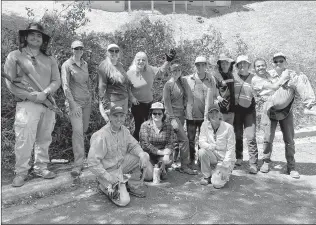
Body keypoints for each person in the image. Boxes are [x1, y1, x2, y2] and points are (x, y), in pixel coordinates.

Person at [4, 22, 61, 187]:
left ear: (43, 40)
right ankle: (21, 172)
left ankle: (41, 167)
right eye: (32, 34)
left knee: (44, 138)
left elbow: (56, 81)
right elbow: (11, 84)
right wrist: (31, 96)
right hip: (27, 104)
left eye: (39, 36)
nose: (36, 38)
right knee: (24, 139)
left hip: (48, 104)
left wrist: (45, 93)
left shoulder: (50, 59)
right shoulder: (14, 56)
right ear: (25, 37)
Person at [252, 54, 316, 178]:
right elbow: (269, 89)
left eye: (281, 61)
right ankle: (266, 161)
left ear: (285, 62)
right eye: (275, 61)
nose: (278, 63)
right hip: (270, 107)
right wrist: (284, 81)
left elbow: (298, 87)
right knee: (267, 138)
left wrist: (289, 80)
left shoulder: (291, 74)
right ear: (272, 64)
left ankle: (291, 167)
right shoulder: (267, 74)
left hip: (286, 110)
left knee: (289, 140)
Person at [87, 105, 151, 207]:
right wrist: (109, 178)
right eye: (115, 116)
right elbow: (92, 163)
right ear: (110, 117)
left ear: (125, 117)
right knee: (124, 201)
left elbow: (133, 145)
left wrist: (141, 153)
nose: (119, 119)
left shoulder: (124, 130)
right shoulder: (101, 135)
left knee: (144, 155)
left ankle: (133, 185)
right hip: (108, 172)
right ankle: (104, 185)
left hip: (121, 165)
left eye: (121, 116)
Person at [127, 49, 176, 141]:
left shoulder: (150, 69)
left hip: (149, 103)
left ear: (146, 61)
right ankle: (135, 147)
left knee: (149, 126)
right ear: (135, 60)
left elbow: (161, 72)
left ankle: (146, 147)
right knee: (140, 126)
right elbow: (126, 87)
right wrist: (132, 97)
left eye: (143, 60)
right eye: (139, 59)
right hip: (137, 104)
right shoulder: (130, 73)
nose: (141, 62)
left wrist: (168, 61)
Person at [181, 56, 220, 169]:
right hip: (191, 116)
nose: (200, 67)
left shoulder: (211, 79)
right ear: (195, 66)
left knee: (203, 140)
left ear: (206, 65)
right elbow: (175, 83)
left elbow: (215, 94)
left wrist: (218, 99)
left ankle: (201, 160)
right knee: (191, 140)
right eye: (198, 64)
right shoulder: (187, 79)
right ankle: (192, 160)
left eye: (202, 64)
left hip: (205, 116)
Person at [61, 40, 92, 177]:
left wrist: (91, 96)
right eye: (76, 48)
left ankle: (83, 158)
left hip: (87, 103)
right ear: (71, 49)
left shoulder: (85, 64)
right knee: (78, 131)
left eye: (81, 48)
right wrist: (72, 104)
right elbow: (65, 86)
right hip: (75, 104)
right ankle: (78, 164)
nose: (79, 50)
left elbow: (87, 82)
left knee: (84, 130)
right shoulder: (67, 65)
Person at [162, 64, 198, 175]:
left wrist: (183, 81)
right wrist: (172, 119)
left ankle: (170, 163)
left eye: (178, 70)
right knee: (184, 140)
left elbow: (189, 96)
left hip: (182, 115)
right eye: (174, 70)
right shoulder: (168, 85)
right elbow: (167, 104)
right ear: (170, 71)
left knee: (176, 141)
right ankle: (184, 165)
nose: (176, 72)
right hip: (173, 116)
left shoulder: (182, 82)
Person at [198, 104, 236, 188]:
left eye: (216, 112)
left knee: (217, 184)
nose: (214, 115)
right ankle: (207, 176)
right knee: (201, 151)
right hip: (213, 156)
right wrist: (210, 146)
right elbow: (201, 141)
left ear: (220, 114)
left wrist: (225, 166)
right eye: (211, 112)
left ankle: (219, 172)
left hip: (224, 159)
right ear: (208, 114)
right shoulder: (204, 125)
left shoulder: (228, 127)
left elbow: (231, 149)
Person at [98, 44, 138, 122]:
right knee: (113, 125)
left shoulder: (119, 65)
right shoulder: (103, 66)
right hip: (113, 102)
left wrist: (130, 96)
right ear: (107, 52)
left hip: (124, 100)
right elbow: (101, 88)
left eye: (116, 51)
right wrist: (105, 106)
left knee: (121, 124)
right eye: (111, 51)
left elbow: (125, 84)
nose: (114, 53)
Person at [233, 55, 259, 174]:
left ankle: (253, 163)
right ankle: (238, 158)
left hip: (249, 111)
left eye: (245, 63)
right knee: (237, 135)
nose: (242, 66)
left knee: (251, 136)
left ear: (248, 65)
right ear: (237, 66)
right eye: (240, 64)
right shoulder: (234, 77)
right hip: (237, 111)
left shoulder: (254, 77)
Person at [139, 102, 175, 180]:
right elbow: (145, 145)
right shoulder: (145, 126)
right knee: (149, 177)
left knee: (168, 159)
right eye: (154, 113)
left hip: (162, 154)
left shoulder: (168, 126)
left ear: (163, 114)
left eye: (159, 113)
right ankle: (155, 169)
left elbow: (171, 143)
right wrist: (160, 152)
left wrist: (166, 154)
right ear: (151, 114)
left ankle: (162, 167)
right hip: (148, 154)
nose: (157, 115)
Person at [213, 53, 236, 125]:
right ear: (220, 64)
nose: (225, 65)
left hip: (231, 109)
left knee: (229, 131)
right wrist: (218, 97)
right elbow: (214, 90)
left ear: (230, 64)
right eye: (223, 63)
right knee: (220, 132)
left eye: (227, 63)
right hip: (221, 110)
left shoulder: (232, 75)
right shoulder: (216, 75)